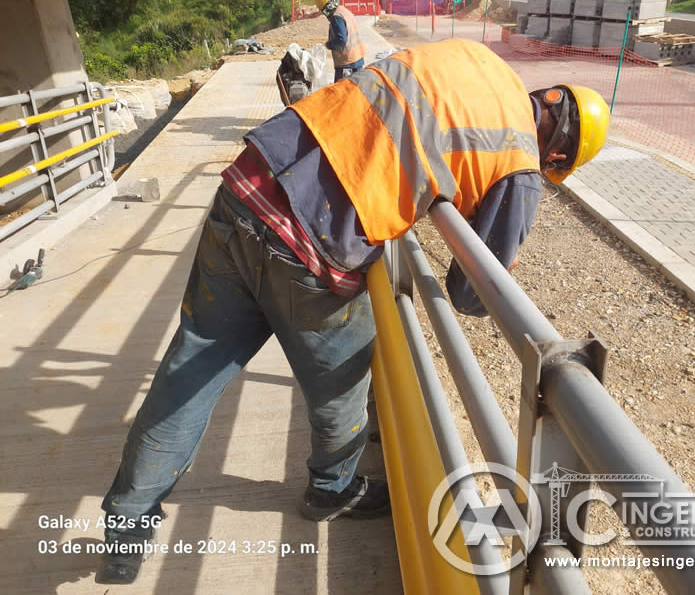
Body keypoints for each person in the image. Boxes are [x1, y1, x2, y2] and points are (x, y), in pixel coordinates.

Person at [95, 38, 609, 585]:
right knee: (342, 382)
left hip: (248, 187)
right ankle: (331, 488)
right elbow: (471, 294)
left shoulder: (474, 59)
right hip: (311, 246)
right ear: (556, 157)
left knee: (188, 374)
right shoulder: (522, 163)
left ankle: (126, 527)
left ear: (546, 97)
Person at [315, 0, 365, 81]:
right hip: (357, 58)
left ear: (326, 9)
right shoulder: (343, 10)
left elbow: (341, 41)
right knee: (355, 90)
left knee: (342, 93)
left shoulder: (336, 18)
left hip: (347, 62)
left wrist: (329, 44)